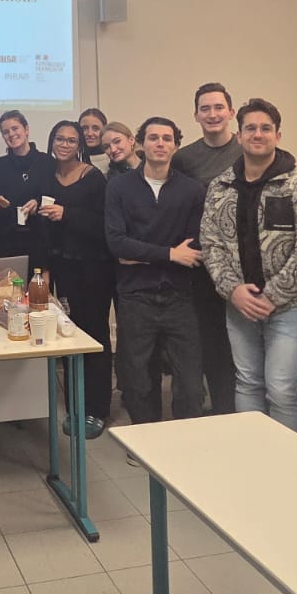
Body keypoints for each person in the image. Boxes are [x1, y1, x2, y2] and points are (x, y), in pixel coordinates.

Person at [202, 99, 297, 436]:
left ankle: (288, 462)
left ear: (278, 135)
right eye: (250, 128)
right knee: (247, 383)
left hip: (290, 306)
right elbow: (211, 244)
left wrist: (271, 296)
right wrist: (233, 290)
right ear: (239, 136)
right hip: (239, 304)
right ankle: (253, 455)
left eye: (265, 128)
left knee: (281, 387)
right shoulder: (220, 187)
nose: (257, 134)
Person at [104, 117, 206, 426]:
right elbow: (117, 243)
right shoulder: (119, 187)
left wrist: (141, 253)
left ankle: (185, 438)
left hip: (180, 296)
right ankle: (146, 438)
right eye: (153, 137)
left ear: (176, 145)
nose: (160, 143)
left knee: (190, 383)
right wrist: (170, 253)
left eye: (167, 138)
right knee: (138, 380)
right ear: (140, 144)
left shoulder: (192, 190)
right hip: (136, 296)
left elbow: (193, 247)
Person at [38, 120, 113, 437]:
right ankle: (74, 407)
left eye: (71, 140)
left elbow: (105, 225)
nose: (65, 144)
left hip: (94, 269)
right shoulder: (47, 177)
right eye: (59, 139)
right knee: (68, 336)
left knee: (94, 337)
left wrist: (67, 214)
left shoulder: (93, 178)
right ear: (51, 141)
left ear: (80, 144)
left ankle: (96, 409)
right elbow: (43, 228)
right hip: (62, 269)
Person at [173, 82, 242, 416]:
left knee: (242, 343)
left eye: (218, 107)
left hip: (244, 263)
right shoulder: (184, 158)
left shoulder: (247, 148)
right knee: (212, 341)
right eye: (205, 108)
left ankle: (242, 412)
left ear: (231, 112)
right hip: (202, 264)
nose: (212, 114)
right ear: (196, 115)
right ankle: (218, 410)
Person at [0, 110, 55, 264]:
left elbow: (55, 197)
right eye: (5, 132)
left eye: (15, 128)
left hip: (40, 243)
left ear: (26, 129)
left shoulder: (47, 162)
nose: (11, 134)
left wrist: (38, 203)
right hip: (7, 245)